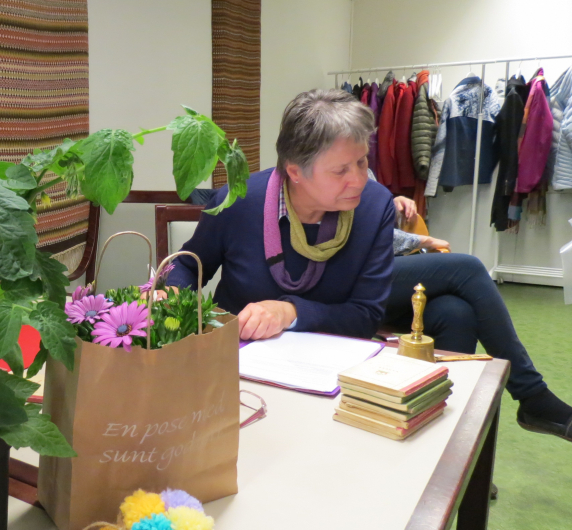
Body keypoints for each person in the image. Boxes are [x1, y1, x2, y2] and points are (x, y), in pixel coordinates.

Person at [166, 88, 396, 341]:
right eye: (341, 171)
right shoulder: (238, 199)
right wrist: (172, 292)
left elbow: (366, 316)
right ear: (295, 172)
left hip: (326, 364)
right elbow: (188, 264)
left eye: (362, 162)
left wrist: (290, 311)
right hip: (236, 355)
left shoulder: (376, 207)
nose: (359, 180)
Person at [384, 196, 572, 443]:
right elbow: (363, 231)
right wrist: (423, 240)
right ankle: (532, 395)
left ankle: (446, 431)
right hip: (349, 271)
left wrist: (388, 199)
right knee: (467, 267)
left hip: (382, 264)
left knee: (456, 313)